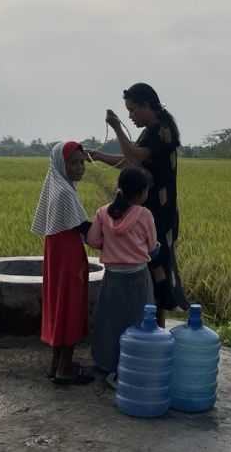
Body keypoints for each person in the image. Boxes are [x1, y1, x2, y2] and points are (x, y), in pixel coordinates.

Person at [88, 82, 188, 326]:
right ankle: (153, 328)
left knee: (156, 268)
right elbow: (131, 161)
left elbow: (132, 156)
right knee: (152, 267)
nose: (130, 116)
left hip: (158, 211)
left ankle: (156, 329)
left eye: (132, 110)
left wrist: (116, 128)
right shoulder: (153, 129)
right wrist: (100, 156)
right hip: (154, 209)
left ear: (146, 105)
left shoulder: (160, 131)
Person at [85, 167, 159, 384]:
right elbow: (152, 246)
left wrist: (110, 245)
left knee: (109, 322)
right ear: (141, 192)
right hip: (137, 276)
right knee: (137, 321)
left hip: (113, 277)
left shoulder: (102, 212)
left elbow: (93, 241)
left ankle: (108, 365)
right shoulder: (144, 215)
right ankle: (134, 364)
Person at [31, 141, 94, 385]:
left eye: (82, 162)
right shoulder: (66, 193)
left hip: (56, 255)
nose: (80, 168)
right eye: (74, 163)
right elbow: (84, 228)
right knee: (70, 306)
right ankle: (65, 369)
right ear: (61, 164)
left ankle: (56, 365)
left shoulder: (56, 187)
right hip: (68, 256)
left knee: (58, 305)